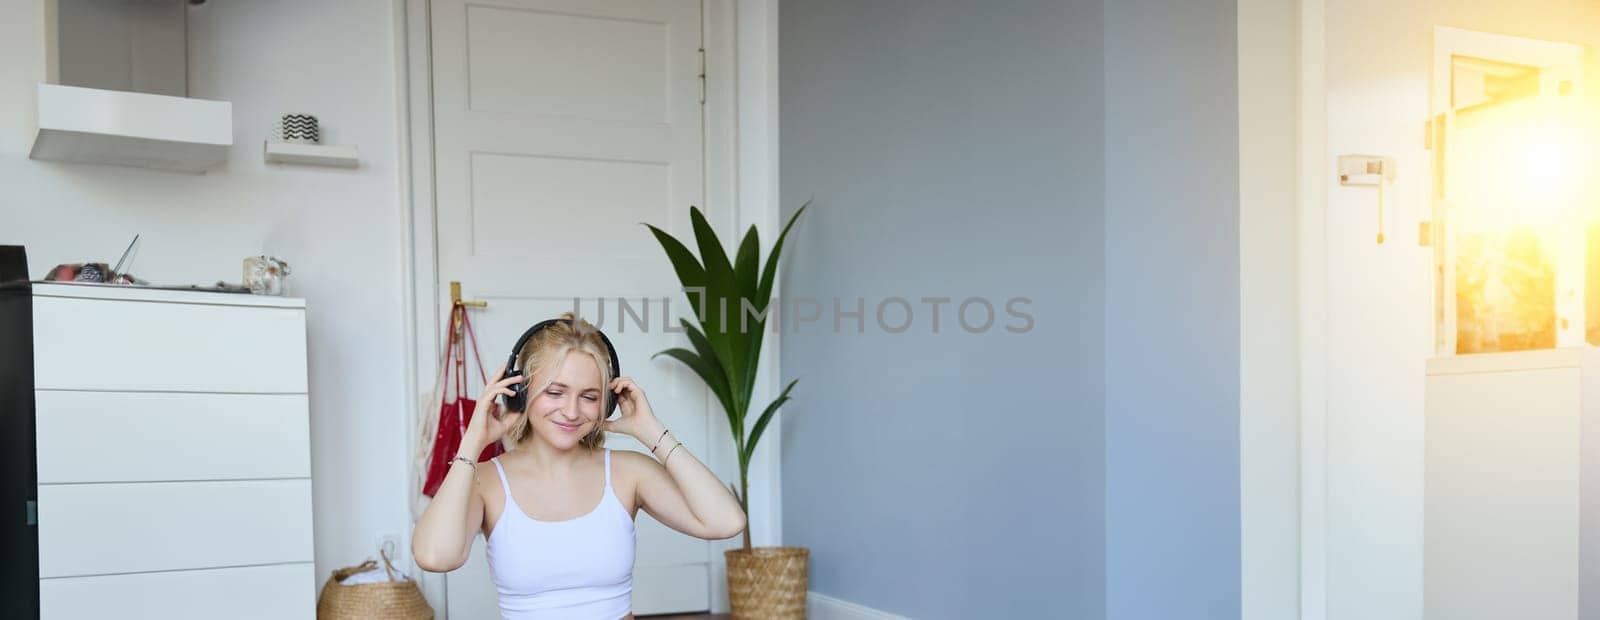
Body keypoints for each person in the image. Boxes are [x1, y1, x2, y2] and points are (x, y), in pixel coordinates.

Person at [412, 313, 747, 619]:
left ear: (608, 402)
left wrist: (652, 432)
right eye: (555, 392)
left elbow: (726, 521)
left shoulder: (628, 472)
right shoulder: (486, 480)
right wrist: (473, 442)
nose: (572, 411)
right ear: (519, 394)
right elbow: (435, 556)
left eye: (589, 396)